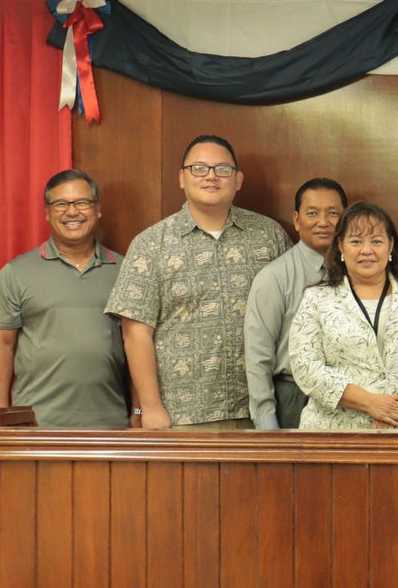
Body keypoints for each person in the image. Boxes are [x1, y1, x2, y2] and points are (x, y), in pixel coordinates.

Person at [105, 135, 288, 429]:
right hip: (183, 416)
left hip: (261, 412)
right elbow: (135, 333)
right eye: (199, 168)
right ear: (182, 178)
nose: (211, 176)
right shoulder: (151, 244)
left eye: (222, 169)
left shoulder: (269, 236)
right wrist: (149, 408)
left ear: (238, 179)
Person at [289, 201, 398, 430]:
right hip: (335, 434)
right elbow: (305, 365)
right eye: (356, 241)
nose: (367, 250)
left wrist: (396, 408)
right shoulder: (316, 299)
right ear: (341, 247)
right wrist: (371, 403)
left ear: (391, 246)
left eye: (376, 241)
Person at [0, 169, 129, 428]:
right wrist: (1, 415)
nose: (72, 212)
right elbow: (1, 345)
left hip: (111, 425)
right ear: (47, 212)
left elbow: (139, 346)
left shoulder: (126, 271)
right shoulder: (16, 272)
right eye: (61, 204)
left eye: (82, 203)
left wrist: (139, 411)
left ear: (97, 210)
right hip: (39, 426)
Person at [244, 177, 347, 429]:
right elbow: (258, 357)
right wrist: (267, 424)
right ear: (297, 220)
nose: (323, 222)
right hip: (293, 396)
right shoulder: (274, 277)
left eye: (333, 213)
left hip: (350, 396)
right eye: (312, 213)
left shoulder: (361, 273)